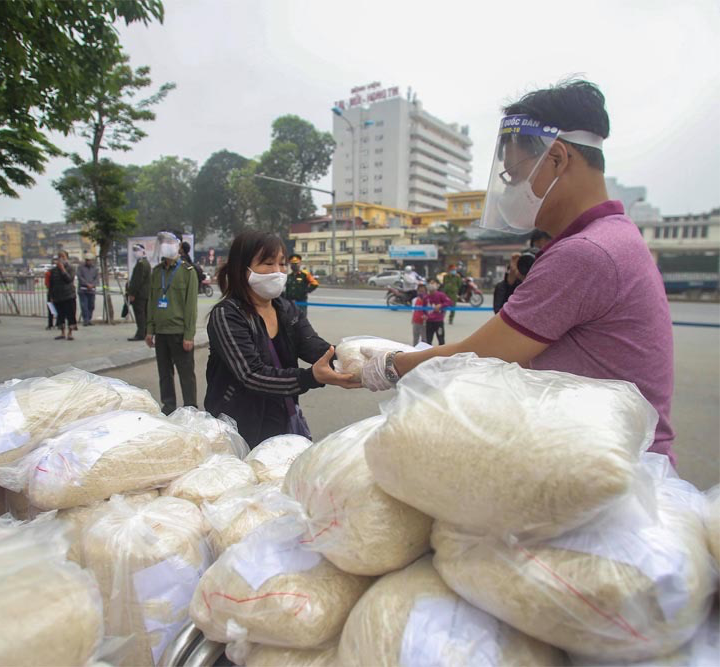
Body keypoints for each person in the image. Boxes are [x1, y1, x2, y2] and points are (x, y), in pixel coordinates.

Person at [360, 80, 678, 464]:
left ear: (558, 158)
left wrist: (386, 367)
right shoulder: (612, 237)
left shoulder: (585, 253)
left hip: (611, 473)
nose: (509, 189)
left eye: (514, 174)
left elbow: (476, 358)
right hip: (605, 455)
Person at [205, 231, 358, 446]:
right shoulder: (227, 315)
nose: (277, 272)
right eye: (268, 263)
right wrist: (311, 377)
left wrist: (358, 359)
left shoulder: (287, 309)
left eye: (282, 264)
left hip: (281, 417)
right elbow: (251, 374)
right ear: (242, 268)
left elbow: (314, 347)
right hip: (238, 426)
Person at [146, 232, 198, 414]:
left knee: (186, 374)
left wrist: (189, 335)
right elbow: (152, 301)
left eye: (169, 242)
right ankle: (168, 406)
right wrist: (149, 329)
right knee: (164, 373)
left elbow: (191, 307)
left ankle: (191, 407)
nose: (165, 245)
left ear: (177, 245)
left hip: (179, 333)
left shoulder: (187, 272)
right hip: (161, 332)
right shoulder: (157, 272)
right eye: (163, 242)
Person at [493, 229, 552, 313]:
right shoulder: (518, 278)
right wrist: (511, 280)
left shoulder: (560, 280)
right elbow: (500, 314)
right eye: (536, 248)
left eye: (546, 250)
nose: (540, 254)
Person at [49, 250, 77, 340]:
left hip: (69, 295)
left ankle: (70, 333)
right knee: (60, 315)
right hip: (58, 295)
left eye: (63, 256)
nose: (61, 259)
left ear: (67, 258)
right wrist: (51, 296)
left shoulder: (71, 268)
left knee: (70, 315)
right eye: (59, 257)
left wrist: (63, 269)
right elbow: (51, 283)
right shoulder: (53, 270)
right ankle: (62, 332)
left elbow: (69, 279)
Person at [126, 243, 151, 341]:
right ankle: (145, 332)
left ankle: (141, 333)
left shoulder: (141, 264)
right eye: (134, 250)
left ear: (143, 251)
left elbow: (137, 281)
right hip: (145, 294)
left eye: (137, 250)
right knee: (145, 314)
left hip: (139, 295)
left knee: (140, 315)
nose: (135, 253)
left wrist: (132, 293)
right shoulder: (145, 263)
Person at [423, 279, 453, 345]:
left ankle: (442, 354)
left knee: (441, 339)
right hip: (429, 322)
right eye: (430, 283)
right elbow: (424, 309)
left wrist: (441, 305)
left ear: (437, 285)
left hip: (438, 322)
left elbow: (449, 302)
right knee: (428, 340)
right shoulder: (426, 297)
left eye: (433, 283)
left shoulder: (441, 295)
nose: (431, 285)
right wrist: (424, 315)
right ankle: (429, 354)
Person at [77, 253, 99, 326]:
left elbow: (96, 278)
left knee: (91, 305)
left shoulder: (95, 268)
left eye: (90, 260)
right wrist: (87, 284)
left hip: (92, 290)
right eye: (87, 260)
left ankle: (89, 318)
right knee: (84, 305)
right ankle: (86, 320)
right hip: (83, 290)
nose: (89, 262)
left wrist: (92, 285)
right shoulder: (80, 267)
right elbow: (80, 277)